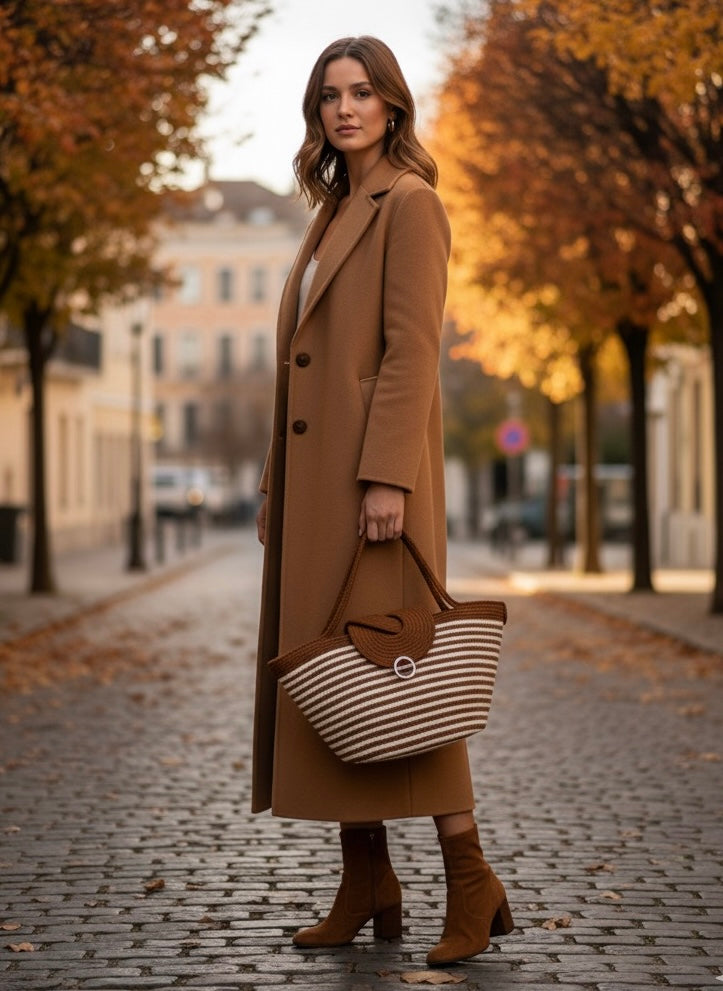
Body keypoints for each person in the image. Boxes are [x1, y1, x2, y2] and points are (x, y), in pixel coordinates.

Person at [252, 35, 514, 966]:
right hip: (319, 492)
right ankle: (365, 876)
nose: (344, 108)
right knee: (337, 681)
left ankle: (469, 878)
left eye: (362, 92)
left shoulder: (411, 204)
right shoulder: (329, 210)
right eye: (329, 95)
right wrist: (275, 485)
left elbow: (411, 352)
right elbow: (300, 369)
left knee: (403, 676)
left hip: (371, 491)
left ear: (393, 105)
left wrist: (386, 477)